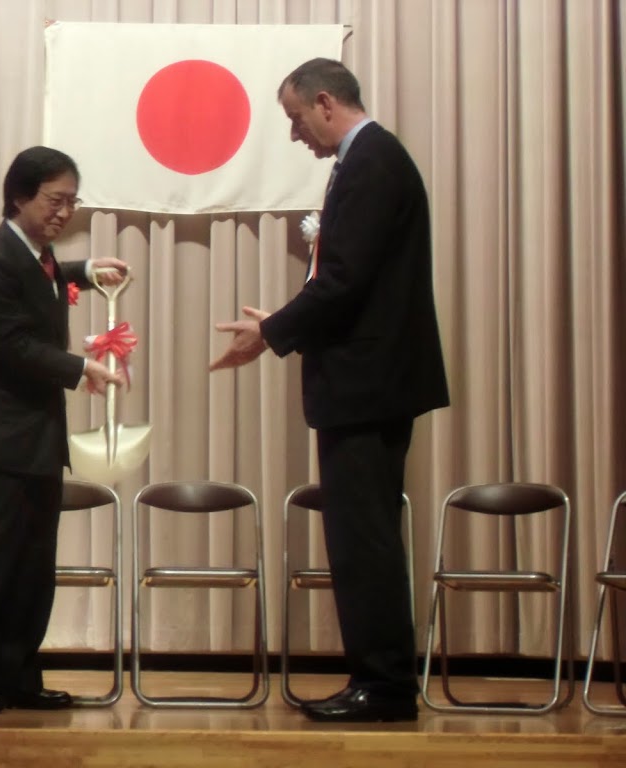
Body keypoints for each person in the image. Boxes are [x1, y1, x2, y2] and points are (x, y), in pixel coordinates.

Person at [210, 58, 449, 723]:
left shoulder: (372, 162)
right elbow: (346, 280)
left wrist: (272, 332)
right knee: (360, 537)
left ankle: (384, 686)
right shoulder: (369, 160)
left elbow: (345, 281)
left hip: (368, 385)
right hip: (368, 384)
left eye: (295, 119)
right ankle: (377, 679)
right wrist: (283, 324)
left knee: (363, 540)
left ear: (324, 103)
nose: (295, 134)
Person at [0, 146, 126, 714]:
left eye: (72, 201)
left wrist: (85, 272)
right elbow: (11, 342)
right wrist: (80, 368)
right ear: (20, 197)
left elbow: (45, 280)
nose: (64, 212)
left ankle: (18, 676)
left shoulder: (37, 255)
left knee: (32, 571)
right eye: (54, 200)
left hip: (36, 439)